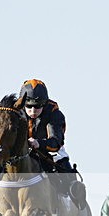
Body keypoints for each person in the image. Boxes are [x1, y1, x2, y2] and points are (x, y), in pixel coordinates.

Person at [19, 79, 86, 208]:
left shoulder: (54, 114)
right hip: (24, 153)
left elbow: (56, 141)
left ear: (44, 103)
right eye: (29, 106)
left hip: (50, 153)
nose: (33, 111)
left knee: (66, 172)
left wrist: (39, 143)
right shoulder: (16, 112)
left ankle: (77, 201)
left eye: (38, 106)